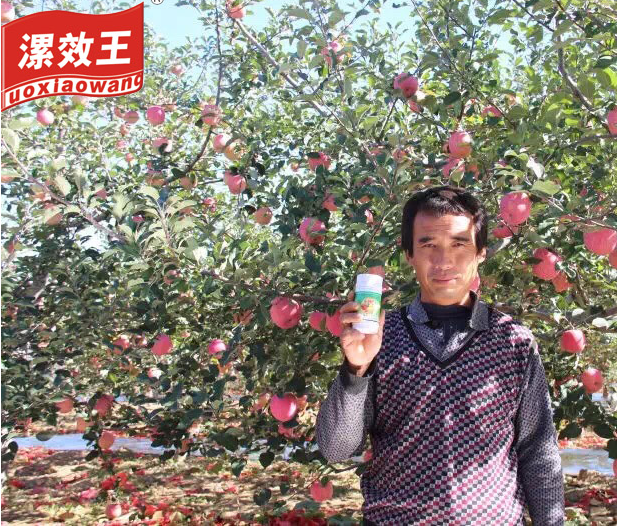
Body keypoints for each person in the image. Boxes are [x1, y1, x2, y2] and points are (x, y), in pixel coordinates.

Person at [315, 186, 565, 526]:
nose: (444, 261)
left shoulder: (512, 342)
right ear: (409, 254)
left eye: (459, 244)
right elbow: (337, 449)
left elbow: (538, 450)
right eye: (428, 245)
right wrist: (355, 369)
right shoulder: (381, 336)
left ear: (481, 253)